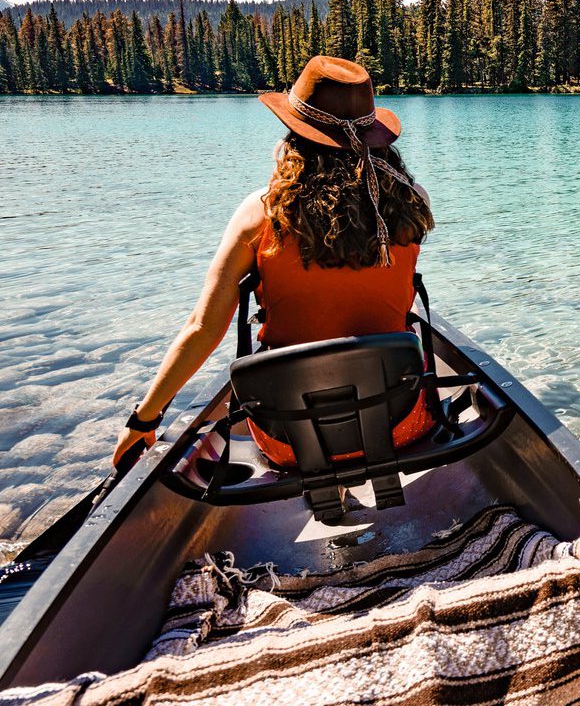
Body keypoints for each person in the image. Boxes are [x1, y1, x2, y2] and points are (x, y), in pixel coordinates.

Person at [112, 56, 435, 468]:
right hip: (397, 421)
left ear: (295, 133)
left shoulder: (260, 212)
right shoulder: (412, 200)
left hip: (290, 437)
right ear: (374, 137)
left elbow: (202, 328)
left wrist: (144, 418)